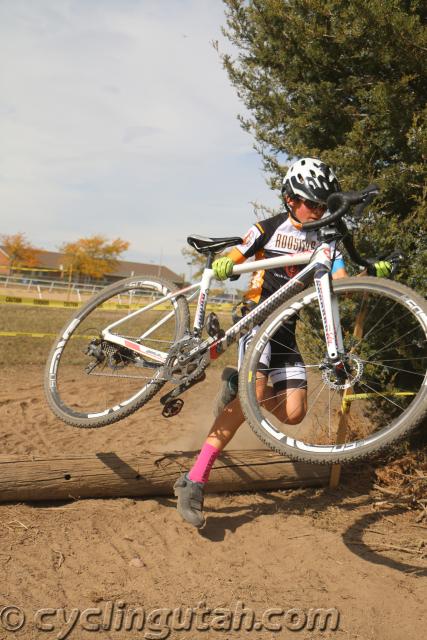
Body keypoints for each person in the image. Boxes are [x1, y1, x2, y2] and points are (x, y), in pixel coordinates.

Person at [173, 157, 384, 528]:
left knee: (294, 413)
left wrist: (372, 272)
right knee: (247, 402)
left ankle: (234, 386)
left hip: (286, 330)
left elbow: (343, 285)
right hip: (256, 319)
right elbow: (236, 253)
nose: (316, 210)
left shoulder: (324, 240)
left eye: (322, 204)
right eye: (309, 203)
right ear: (289, 199)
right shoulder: (268, 228)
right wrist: (226, 262)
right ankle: (193, 480)